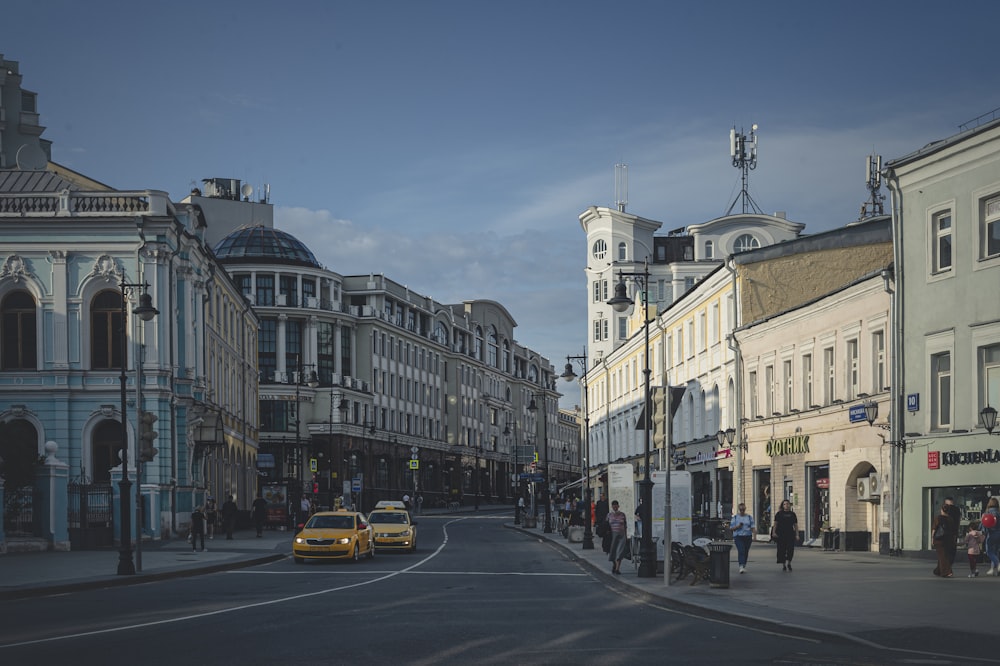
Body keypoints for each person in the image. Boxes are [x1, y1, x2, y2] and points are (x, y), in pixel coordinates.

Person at [771, 499, 799, 571]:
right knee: (781, 549)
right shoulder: (779, 514)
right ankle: (783, 564)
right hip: (781, 534)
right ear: (782, 506)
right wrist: (774, 532)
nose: (786, 505)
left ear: (790, 505)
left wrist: (797, 534)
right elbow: (775, 524)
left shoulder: (792, 514)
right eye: (784, 504)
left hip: (790, 533)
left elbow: (795, 525)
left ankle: (789, 562)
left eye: (787, 504)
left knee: (790, 549)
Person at [729, 502, 755, 574]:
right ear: (739, 510)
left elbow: (752, 527)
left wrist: (754, 535)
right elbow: (731, 528)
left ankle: (743, 565)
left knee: (746, 551)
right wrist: (738, 526)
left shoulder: (749, 517)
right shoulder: (735, 518)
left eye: (743, 509)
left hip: (747, 536)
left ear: (745, 509)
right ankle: (741, 566)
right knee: (741, 550)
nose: (742, 511)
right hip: (738, 536)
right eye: (741, 510)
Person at [931, 504, 955, 577]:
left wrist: (932, 538)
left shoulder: (938, 518)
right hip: (948, 539)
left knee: (943, 556)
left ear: (941, 510)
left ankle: (947, 572)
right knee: (943, 555)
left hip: (939, 539)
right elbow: (953, 530)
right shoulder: (951, 519)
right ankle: (938, 570)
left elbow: (934, 529)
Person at [606, 500, 629, 575]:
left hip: (621, 535)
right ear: (612, 507)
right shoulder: (609, 515)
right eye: (613, 506)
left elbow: (625, 525)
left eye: (616, 505)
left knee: (620, 552)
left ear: (618, 506)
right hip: (612, 536)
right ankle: (614, 564)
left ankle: (617, 569)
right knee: (612, 552)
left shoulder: (622, 515)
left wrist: (626, 535)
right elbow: (606, 526)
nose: (615, 507)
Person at [983, 497, 1000, 576]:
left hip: (991, 534)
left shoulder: (987, 513)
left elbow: (984, 525)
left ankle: (998, 564)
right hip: (999, 534)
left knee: (989, 551)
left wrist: (983, 533)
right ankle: (992, 569)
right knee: (995, 552)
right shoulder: (999, 513)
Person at [943, 497, 962, 566]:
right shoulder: (957, 509)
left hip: (946, 532)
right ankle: (950, 562)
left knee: (946, 548)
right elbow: (959, 520)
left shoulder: (946, 509)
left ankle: (946, 563)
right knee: (953, 548)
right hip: (954, 531)